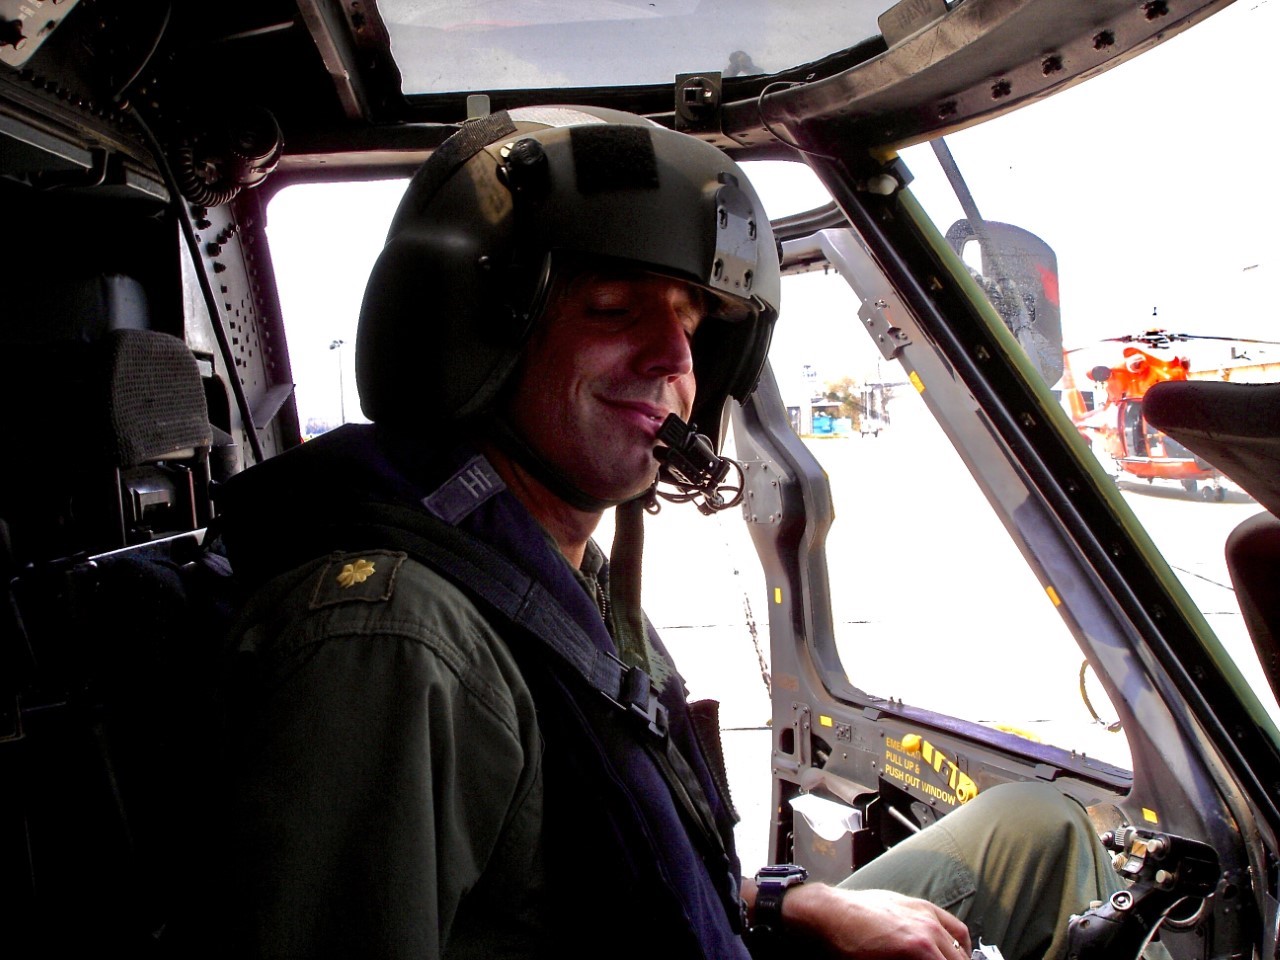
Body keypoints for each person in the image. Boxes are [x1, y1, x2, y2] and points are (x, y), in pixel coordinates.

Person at [214, 106, 1126, 959]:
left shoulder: (555, 582)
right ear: (474, 332)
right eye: (614, 309)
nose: (674, 360)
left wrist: (785, 901)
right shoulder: (396, 641)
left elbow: (606, 865)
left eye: (689, 320)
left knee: (1032, 834)